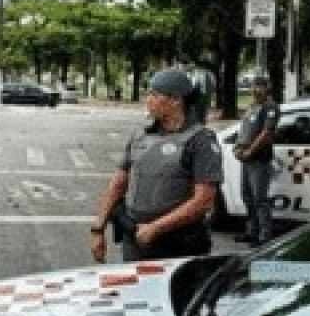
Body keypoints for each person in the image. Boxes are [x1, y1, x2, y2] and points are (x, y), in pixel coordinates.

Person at [90, 69, 223, 262]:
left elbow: (204, 200)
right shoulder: (140, 135)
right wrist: (98, 228)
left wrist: (155, 228)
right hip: (135, 238)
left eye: (154, 94)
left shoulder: (201, 140)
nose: (148, 99)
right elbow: (118, 184)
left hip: (178, 245)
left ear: (176, 100)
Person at [234, 74, 279, 246]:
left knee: (260, 199)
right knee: (247, 197)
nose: (255, 89)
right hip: (245, 159)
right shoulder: (252, 106)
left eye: (260, 86)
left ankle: (264, 236)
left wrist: (250, 151)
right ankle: (251, 231)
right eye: (254, 86)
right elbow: (244, 131)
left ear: (268, 88)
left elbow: (266, 134)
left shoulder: (270, 107)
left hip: (259, 159)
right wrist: (237, 148)